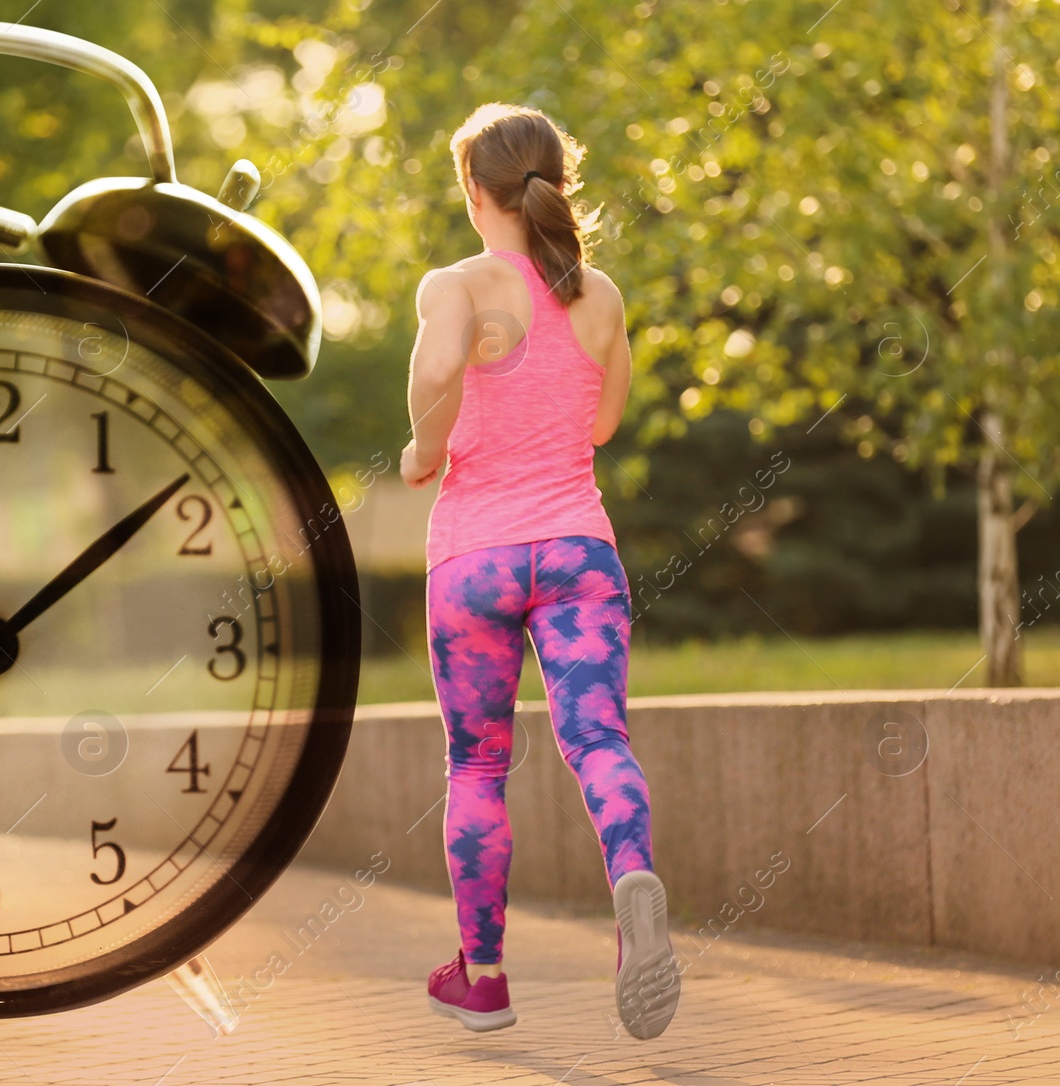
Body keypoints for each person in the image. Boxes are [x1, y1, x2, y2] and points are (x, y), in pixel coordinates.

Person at [401, 102, 679, 1040]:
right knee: (597, 739)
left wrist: (421, 448)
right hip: (577, 552)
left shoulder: (456, 284)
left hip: (474, 558)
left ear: (474, 192)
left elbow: (439, 373)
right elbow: (602, 424)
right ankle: (633, 874)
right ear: (556, 181)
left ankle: (484, 980)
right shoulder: (598, 295)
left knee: (477, 763)